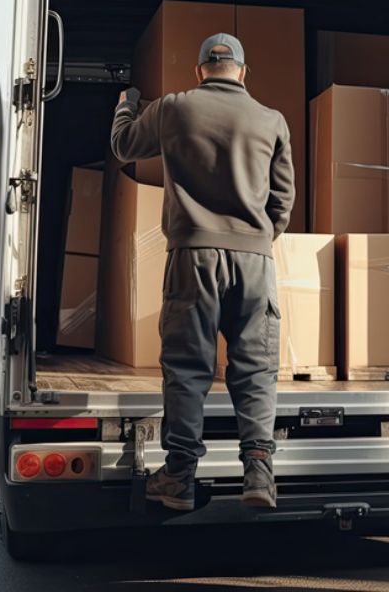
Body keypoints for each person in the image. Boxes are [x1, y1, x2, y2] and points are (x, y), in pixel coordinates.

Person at [110, 33, 295, 511]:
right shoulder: (271, 120)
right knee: (256, 368)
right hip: (254, 261)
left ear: (199, 71)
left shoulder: (174, 108)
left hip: (193, 257)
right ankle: (258, 471)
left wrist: (126, 105)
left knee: (187, 367)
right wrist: (257, 239)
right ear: (243, 72)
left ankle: (179, 476)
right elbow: (282, 199)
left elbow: (124, 146)